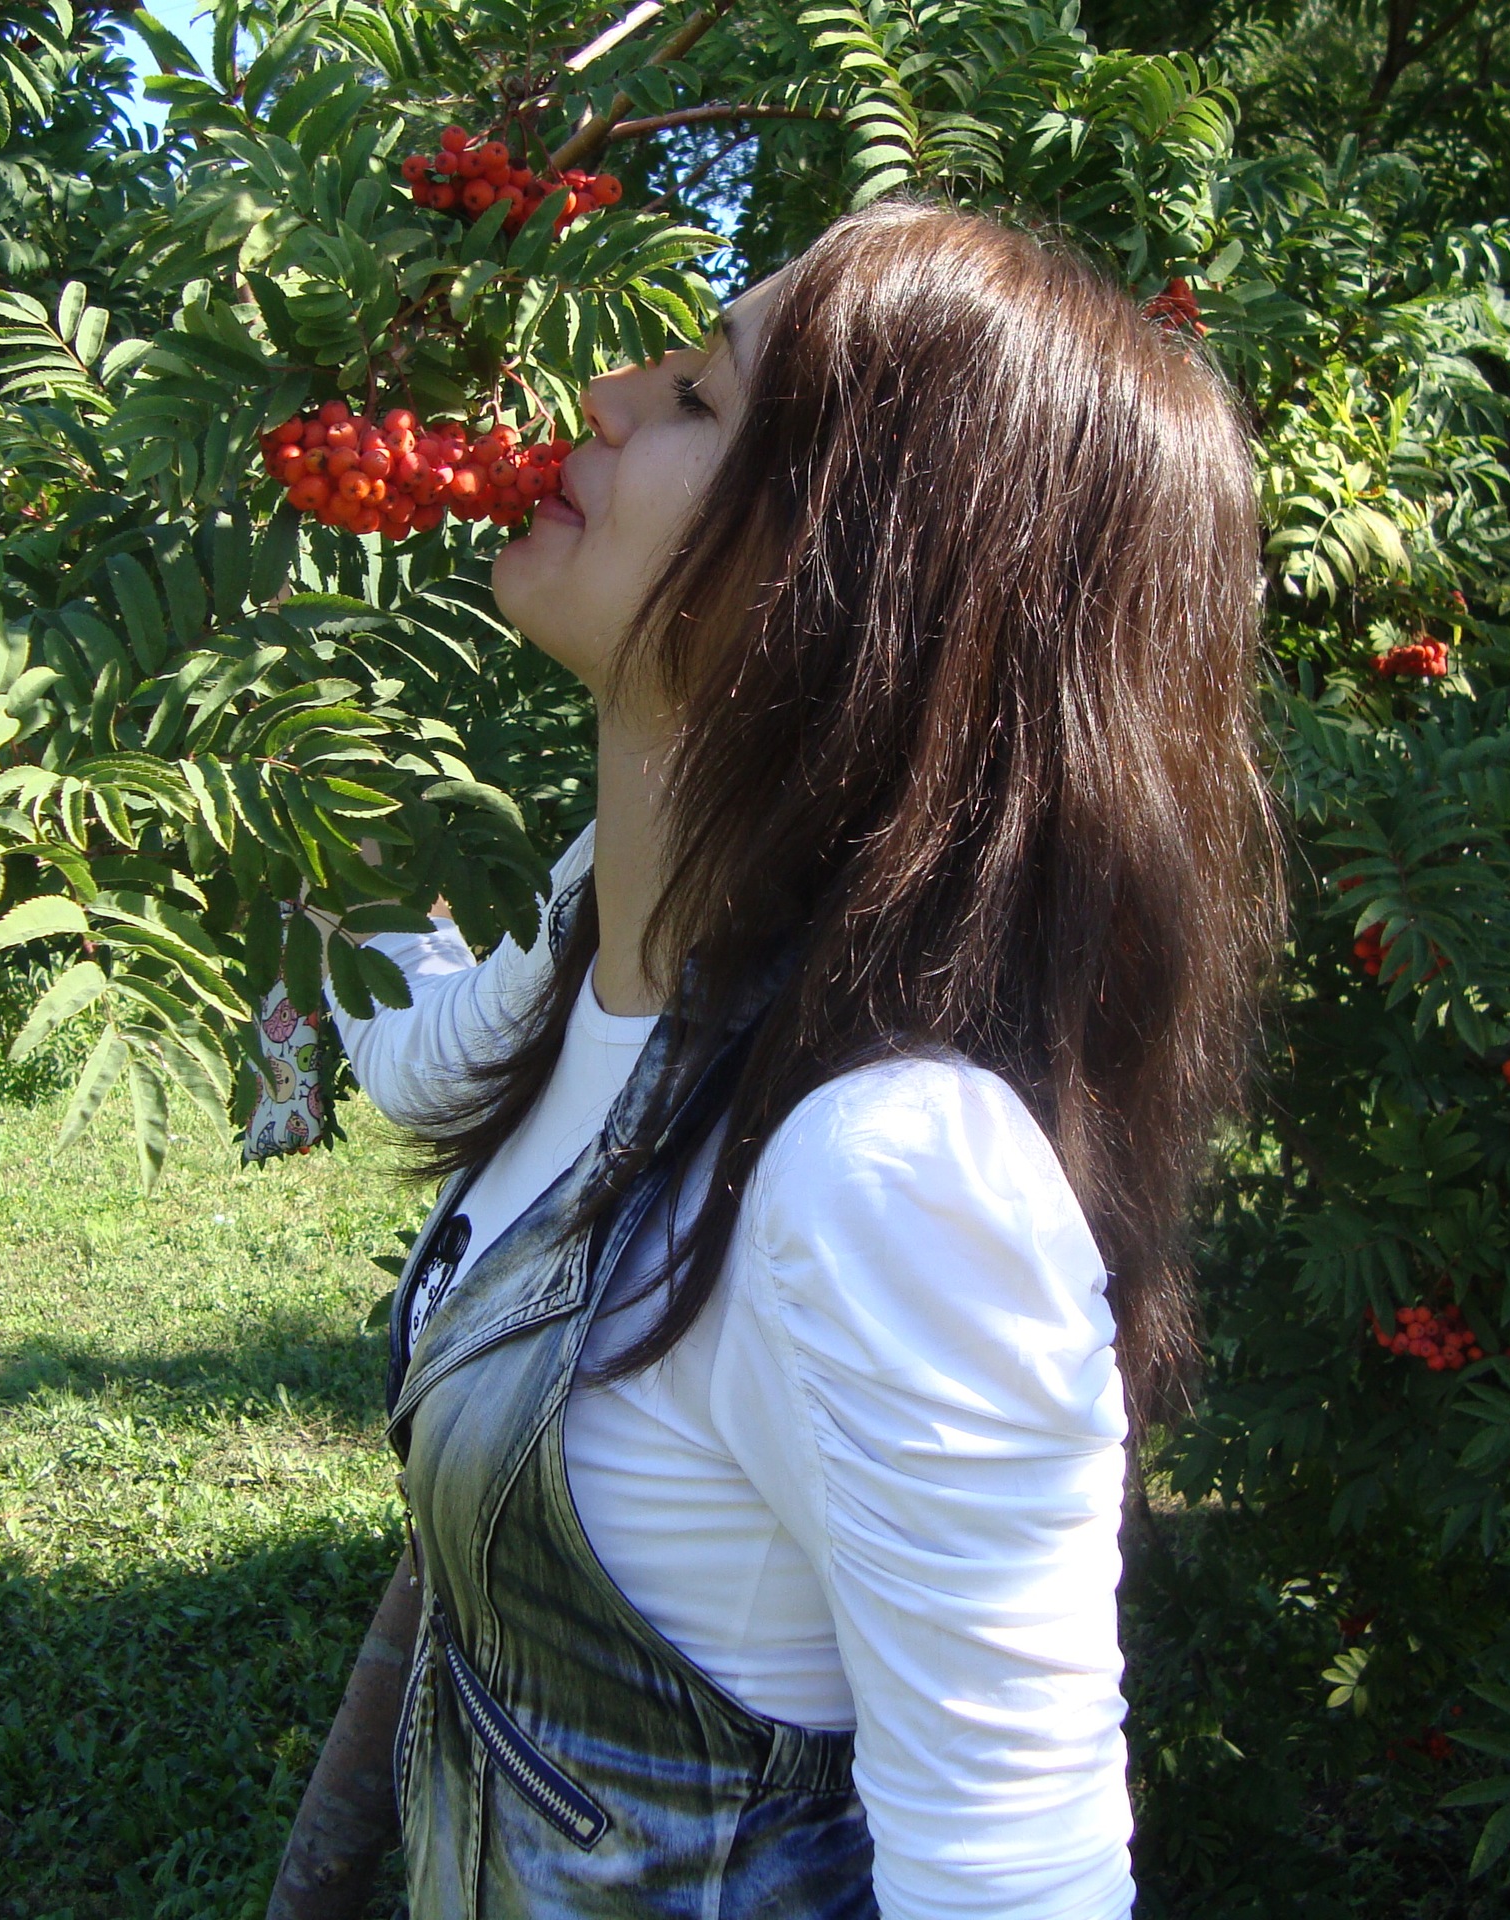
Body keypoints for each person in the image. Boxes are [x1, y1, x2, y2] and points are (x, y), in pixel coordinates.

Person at [320, 200, 1280, 1920]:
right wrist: (280, 858)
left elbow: (1018, 1892)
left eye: (696, 395)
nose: (603, 397)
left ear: (861, 585)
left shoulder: (890, 1176)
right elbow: (428, 1064)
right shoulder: (602, 934)